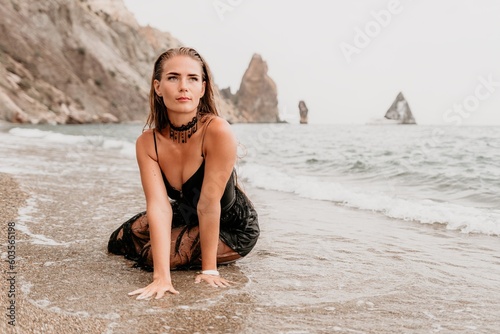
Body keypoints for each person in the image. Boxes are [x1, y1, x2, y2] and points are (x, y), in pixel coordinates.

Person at [108, 47, 260, 299]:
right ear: (158, 87)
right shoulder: (148, 143)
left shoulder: (217, 131)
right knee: (120, 240)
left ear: (202, 88)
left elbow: (209, 205)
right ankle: (175, 246)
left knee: (150, 255)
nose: (183, 86)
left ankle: (203, 253)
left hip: (230, 225)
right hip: (187, 213)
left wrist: (209, 270)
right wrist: (161, 277)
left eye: (192, 78)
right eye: (172, 77)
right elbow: (158, 206)